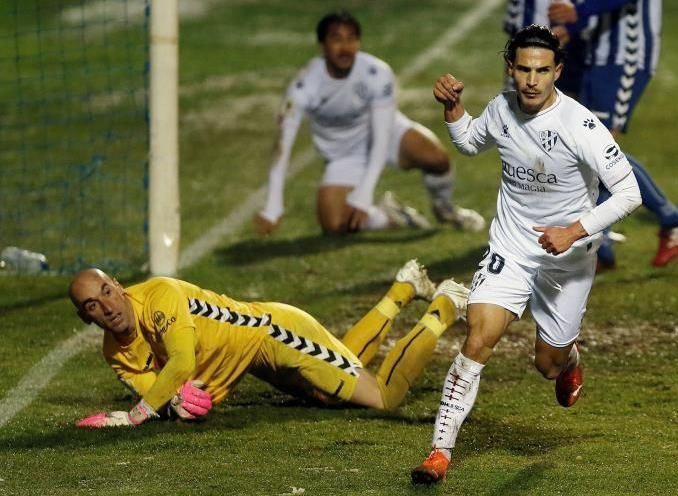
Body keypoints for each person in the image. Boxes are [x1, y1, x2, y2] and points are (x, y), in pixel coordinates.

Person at [411, 25, 642, 484]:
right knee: (478, 339)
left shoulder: (580, 125)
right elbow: (471, 141)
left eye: (541, 71)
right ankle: (439, 453)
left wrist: (573, 230)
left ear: (557, 71)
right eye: (522, 70)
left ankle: (569, 360)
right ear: (511, 69)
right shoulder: (501, 108)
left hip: (568, 261)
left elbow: (629, 192)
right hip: (511, 248)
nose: (531, 81)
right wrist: (453, 110)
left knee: (547, 364)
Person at [70, 260, 470, 428]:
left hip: (277, 333)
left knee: (382, 396)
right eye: (93, 304)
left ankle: (444, 305)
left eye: (107, 291)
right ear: (86, 317)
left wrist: (133, 416)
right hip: (256, 358)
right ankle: (402, 290)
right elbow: (162, 394)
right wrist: (173, 403)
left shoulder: (159, 296)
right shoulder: (115, 353)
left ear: (118, 285)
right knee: (332, 387)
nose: (107, 306)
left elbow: (179, 363)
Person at [254, 10, 485, 237]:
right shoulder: (304, 87)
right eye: (337, 39)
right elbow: (281, 147)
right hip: (343, 153)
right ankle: (390, 216)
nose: (345, 47)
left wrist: (363, 194)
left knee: (437, 158)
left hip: (384, 133)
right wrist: (273, 204)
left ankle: (446, 211)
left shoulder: (376, 72)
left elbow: (382, 136)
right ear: (322, 45)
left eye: (351, 38)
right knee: (333, 225)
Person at [547, 0, 678, 269]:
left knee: (597, 153)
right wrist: (573, 26)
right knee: (588, 155)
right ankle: (602, 249)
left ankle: (671, 219)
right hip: (599, 56)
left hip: (625, 56)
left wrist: (578, 13)